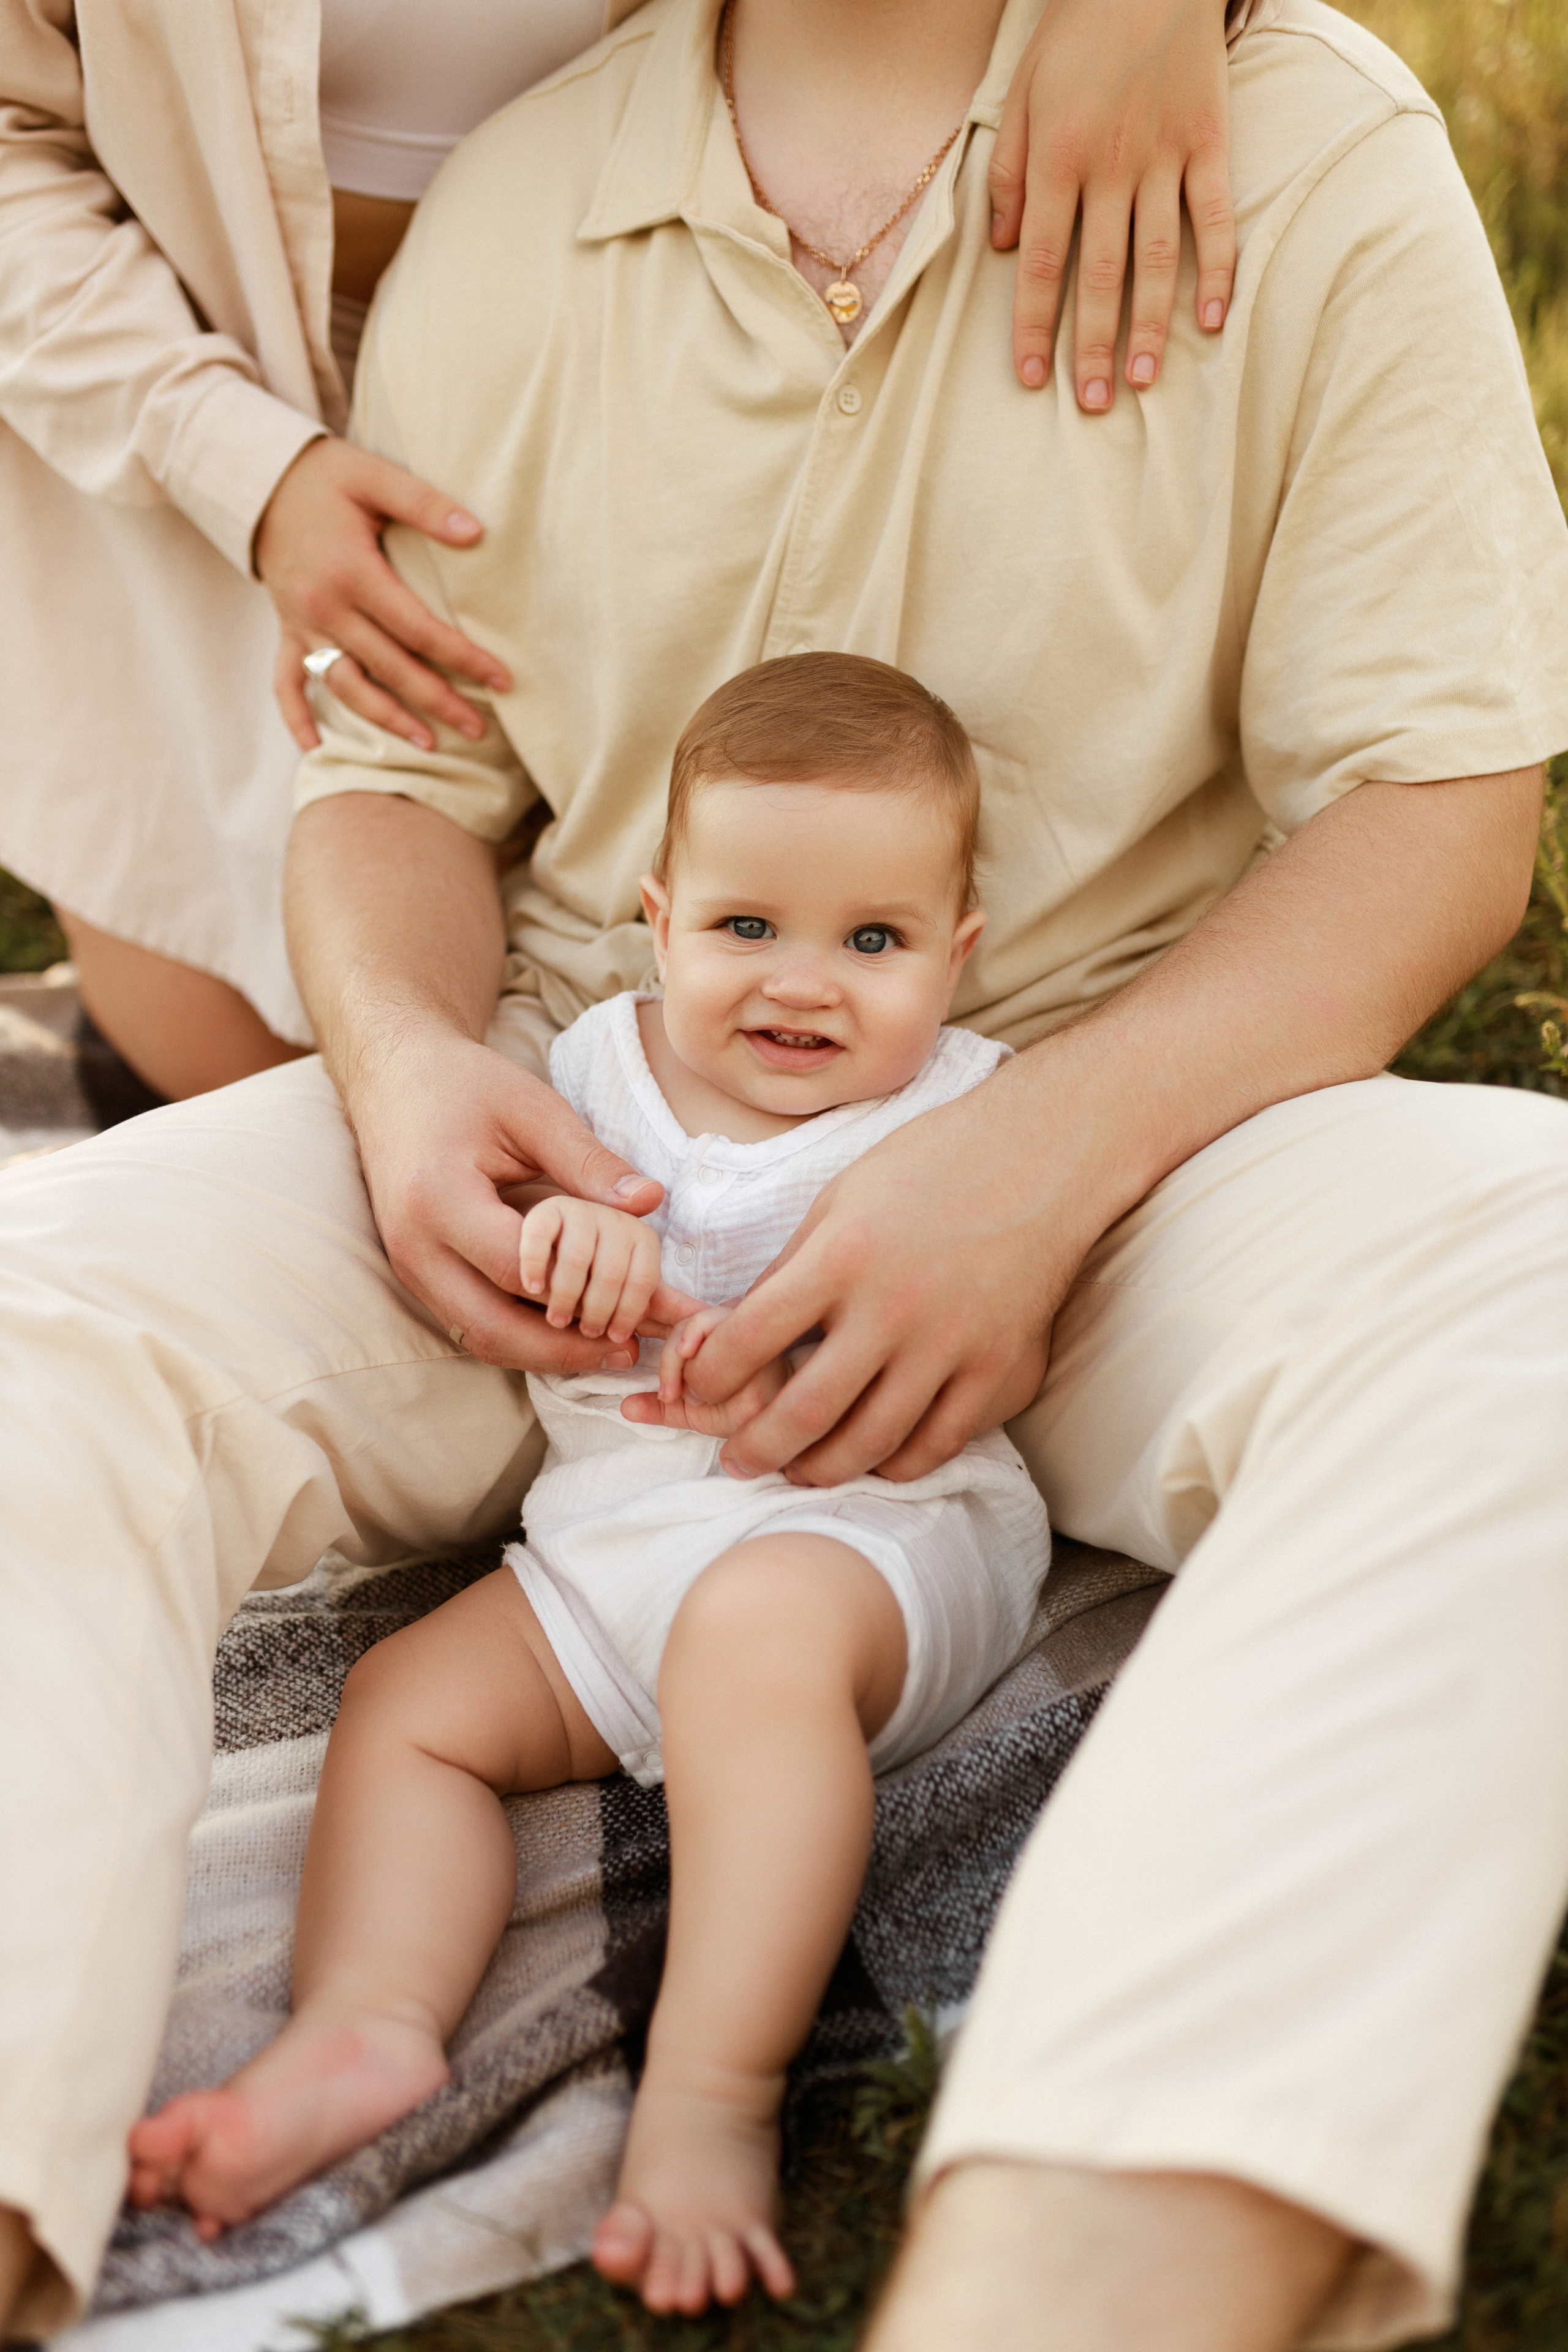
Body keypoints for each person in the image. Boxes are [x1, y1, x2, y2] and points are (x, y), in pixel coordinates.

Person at [2, 0, 1567, 2340]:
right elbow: (394, 794)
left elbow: (1442, 812)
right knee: (50, 1310)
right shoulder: (535, 194)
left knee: (1538, 1281)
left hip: (1143, 1135)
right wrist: (417, 1072)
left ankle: (1090, 2278)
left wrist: (1030, 1171)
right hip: (578, 1154)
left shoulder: (1301, 143)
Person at [122, 655, 1052, 2315]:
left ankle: (711, 2090)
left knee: (748, 1642)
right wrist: (574, 1243)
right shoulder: (599, 1075)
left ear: (958, 953)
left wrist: (807, 1357)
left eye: (877, 941)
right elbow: (543, 1229)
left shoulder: (965, 1110)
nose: (807, 986)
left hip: (865, 1545)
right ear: (660, 912)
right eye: (747, 927)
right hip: (612, 1549)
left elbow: (1014, 1343)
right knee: (410, 1702)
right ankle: (366, 2027)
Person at [0, 0, 1238, 1102]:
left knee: (778, 855)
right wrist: (238, 465)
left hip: (639, 303)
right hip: (175, 354)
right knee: (255, 1050)